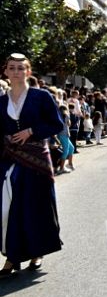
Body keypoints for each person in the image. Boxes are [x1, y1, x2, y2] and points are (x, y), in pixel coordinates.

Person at [0, 53, 64, 276]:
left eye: (20, 68)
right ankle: (12, 256)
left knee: (35, 207)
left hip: (36, 160)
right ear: (5, 72)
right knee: (8, 208)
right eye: (12, 68)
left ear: (28, 71)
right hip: (9, 160)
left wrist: (32, 131)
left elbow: (56, 124)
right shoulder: (1, 100)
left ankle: (36, 253)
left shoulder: (41, 97)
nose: (16, 71)